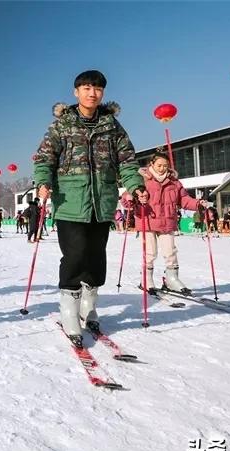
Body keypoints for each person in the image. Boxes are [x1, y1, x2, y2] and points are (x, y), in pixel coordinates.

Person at [33, 70, 144, 347]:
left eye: (97, 88)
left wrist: (135, 185)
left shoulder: (112, 126)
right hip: (70, 201)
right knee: (75, 254)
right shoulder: (61, 125)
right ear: (76, 92)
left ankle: (89, 304)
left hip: (102, 201)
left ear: (102, 93)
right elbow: (45, 157)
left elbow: (127, 160)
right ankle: (69, 310)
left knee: (96, 256)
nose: (92, 93)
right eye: (86, 88)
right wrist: (43, 181)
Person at [132, 150, 205, 293]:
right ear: (152, 164)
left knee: (170, 252)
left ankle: (171, 279)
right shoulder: (142, 179)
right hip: (148, 221)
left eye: (165, 166)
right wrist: (132, 199)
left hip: (167, 221)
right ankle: (146, 279)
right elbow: (129, 196)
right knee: (150, 252)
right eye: (159, 165)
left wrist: (197, 203)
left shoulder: (174, 182)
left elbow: (183, 199)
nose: (162, 168)